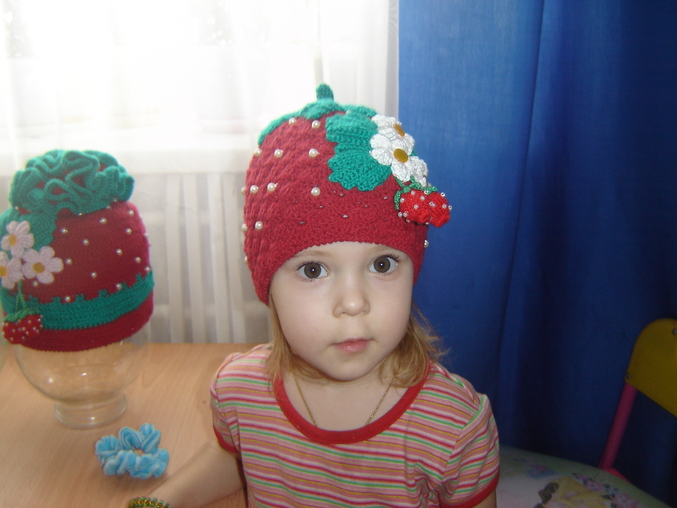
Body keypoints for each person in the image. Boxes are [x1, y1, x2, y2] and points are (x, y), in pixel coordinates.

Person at [127, 84, 499, 508]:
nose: (354, 303)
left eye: (382, 265)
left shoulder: (453, 427)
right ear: (268, 286)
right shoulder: (240, 392)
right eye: (313, 270)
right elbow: (235, 459)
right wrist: (162, 500)